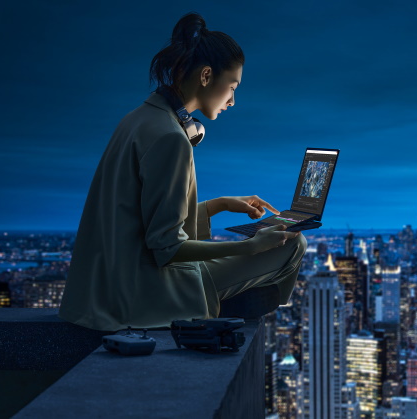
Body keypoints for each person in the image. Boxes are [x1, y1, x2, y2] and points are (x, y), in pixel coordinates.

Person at [58, 12, 307, 331]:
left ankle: (220, 302)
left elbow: (144, 221)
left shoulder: (139, 119)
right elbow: (166, 247)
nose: (232, 100)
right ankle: (222, 309)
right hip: (141, 293)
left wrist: (218, 205)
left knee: (276, 240)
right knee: (292, 244)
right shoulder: (171, 139)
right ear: (206, 76)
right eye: (232, 86)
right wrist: (250, 246)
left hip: (107, 287)